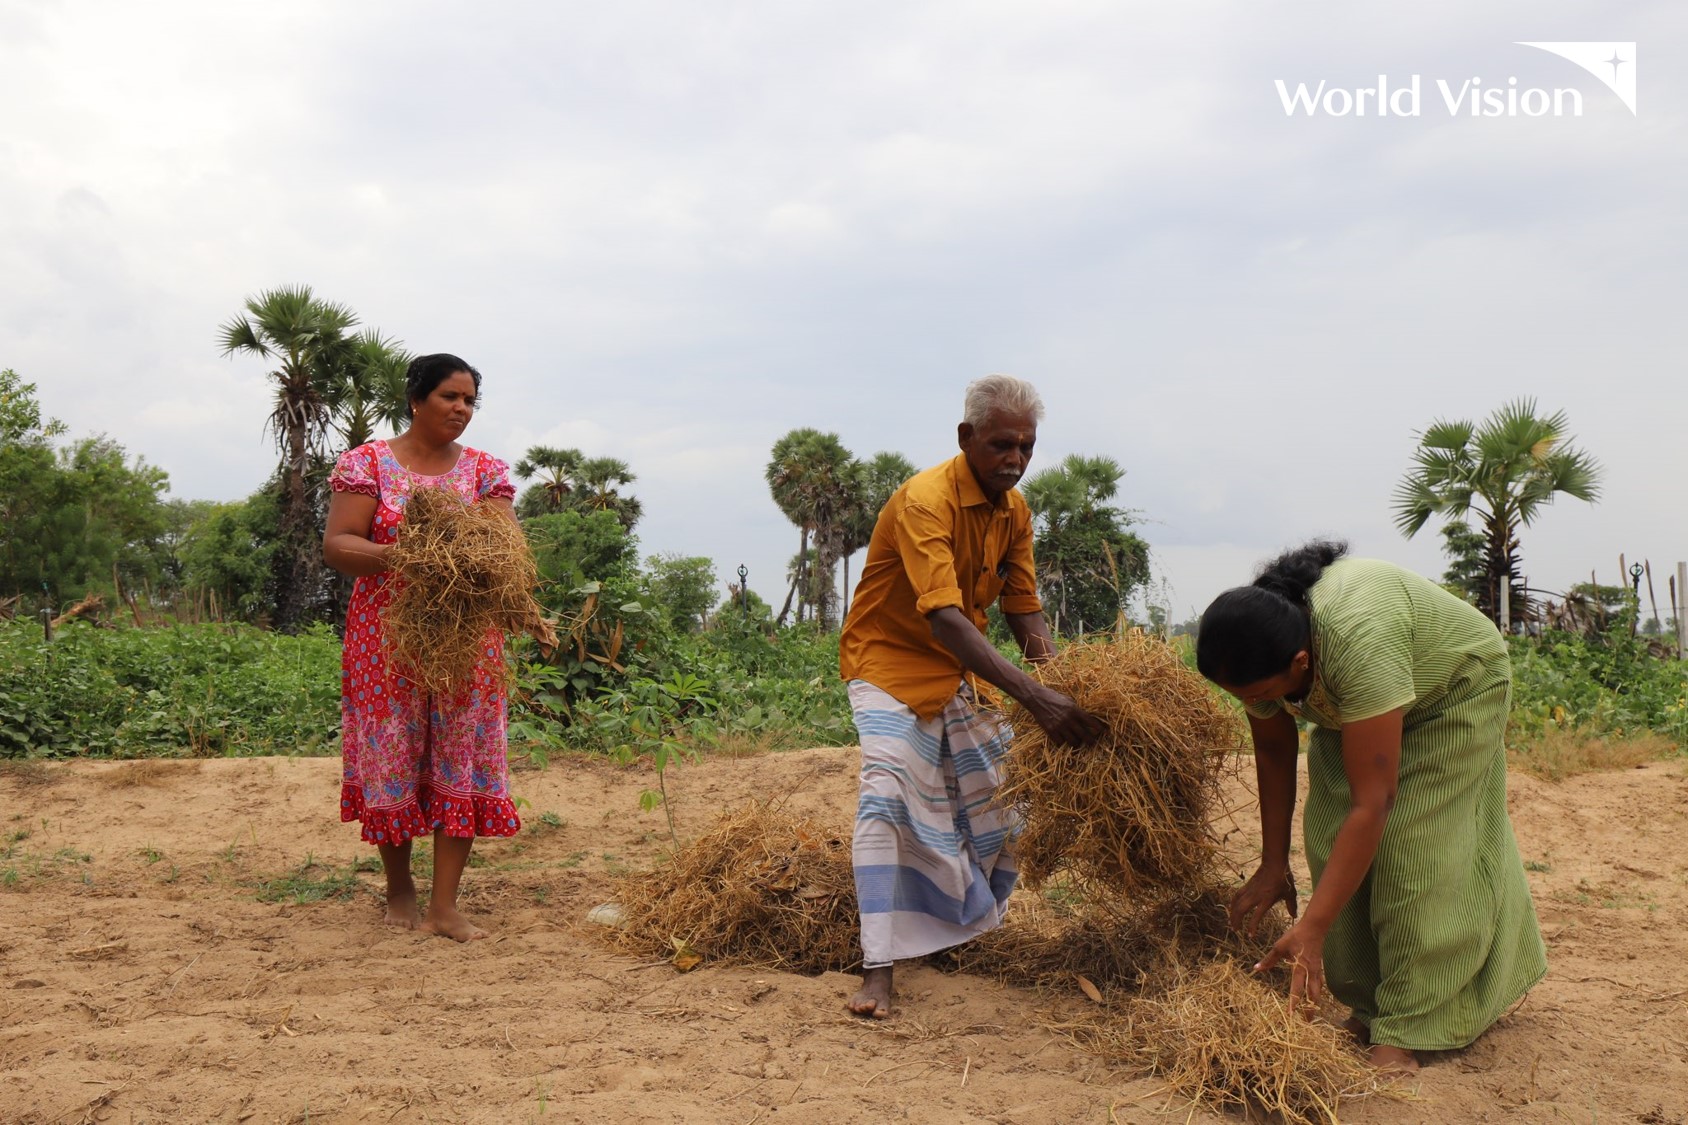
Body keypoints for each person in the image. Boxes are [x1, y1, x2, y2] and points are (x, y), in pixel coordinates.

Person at [1196, 540, 1547, 1072]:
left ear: (1301, 661)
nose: (1258, 702)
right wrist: (1272, 864)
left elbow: (1374, 804)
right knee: (1327, 833)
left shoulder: (1360, 639)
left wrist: (1311, 928)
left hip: (1452, 691)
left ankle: (1409, 1025)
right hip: (1353, 700)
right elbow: (1271, 747)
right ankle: (1371, 1004)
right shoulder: (1263, 652)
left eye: (1267, 692)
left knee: (1413, 849)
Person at [837, 374, 1104, 1019]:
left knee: (1003, 791)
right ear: (967, 438)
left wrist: (1073, 686)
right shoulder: (925, 501)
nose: (1015, 459)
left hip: (962, 670)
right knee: (887, 790)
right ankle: (878, 967)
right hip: (890, 662)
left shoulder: (1015, 512)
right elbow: (945, 619)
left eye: (1026, 447)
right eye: (1002, 445)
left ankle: (961, 930)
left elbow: (1023, 607)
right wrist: (1037, 699)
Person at [322, 352, 522, 942]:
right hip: (384, 637)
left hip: (466, 642)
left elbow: (504, 550)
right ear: (416, 398)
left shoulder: (486, 473)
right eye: (449, 397)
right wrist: (413, 556)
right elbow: (339, 545)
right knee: (393, 756)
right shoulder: (368, 465)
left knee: (460, 756)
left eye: (469, 401)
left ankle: (445, 906)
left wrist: (476, 562)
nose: (461, 409)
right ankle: (399, 888)